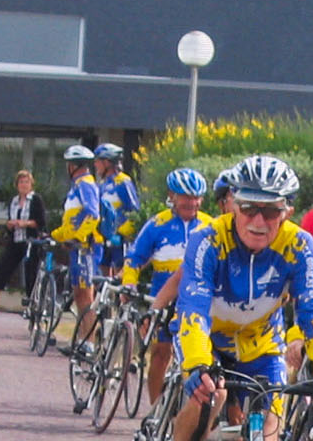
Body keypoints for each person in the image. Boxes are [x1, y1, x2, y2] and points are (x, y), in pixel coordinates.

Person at [158, 154, 313, 441]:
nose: (259, 221)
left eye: (271, 211)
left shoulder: (300, 245)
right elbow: (192, 307)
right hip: (208, 342)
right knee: (208, 398)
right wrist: (196, 365)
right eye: (249, 208)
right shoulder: (207, 239)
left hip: (263, 349)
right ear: (232, 204)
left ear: (287, 211)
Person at [122, 167, 212, 409]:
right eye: (185, 197)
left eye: (196, 198)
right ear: (172, 196)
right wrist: (128, 282)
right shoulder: (157, 224)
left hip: (197, 301)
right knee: (161, 354)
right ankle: (155, 409)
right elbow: (134, 259)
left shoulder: (209, 226)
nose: (191, 203)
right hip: (162, 298)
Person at [51, 144, 104, 352]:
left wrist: (79, 237)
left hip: (86, 248)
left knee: (85, 294)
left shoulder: (86, 184)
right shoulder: (78, 186)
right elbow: (72, 219)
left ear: (73, 165)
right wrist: (58, 234)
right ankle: (83, 340)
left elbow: (93, 214)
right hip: (77, 247)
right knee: (79, 294)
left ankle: (89, 343)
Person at [0, 169, 47, 312]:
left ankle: (32, 303)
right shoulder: (14, 201)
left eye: (26, 182)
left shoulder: (36, 199)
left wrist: (26, 223)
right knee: (4, 266)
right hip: (16, 238)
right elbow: (9, 219)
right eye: (21, 182)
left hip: (31, 240)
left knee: (31, 270)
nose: (24, 185)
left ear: (31, 184)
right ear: (17, 185)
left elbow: (41, 221)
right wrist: (10, 224)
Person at [94, 142, 142, 279]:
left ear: (107, 162)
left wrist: (122, 234)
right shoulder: (102, 184)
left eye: (98, 161)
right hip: (104, 237)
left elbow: (134, 212)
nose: (95, 165)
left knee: (119, 277)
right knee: (102, 279)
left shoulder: (123, 182)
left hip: (119, 240)